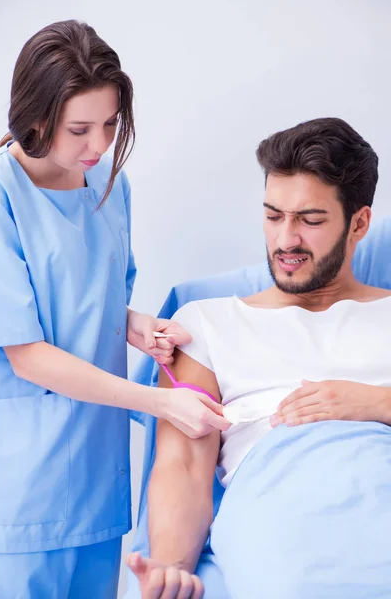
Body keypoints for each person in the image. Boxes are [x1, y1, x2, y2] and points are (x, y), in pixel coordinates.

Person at [0, 20, 229, 599]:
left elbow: (89, 298)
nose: (98, 146)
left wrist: (136, 326)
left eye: (110, 125)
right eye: (80, 129)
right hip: (23, 487)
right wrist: (159, 403)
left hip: (97, 476)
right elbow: (26, 351)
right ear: (36, 116)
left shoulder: (107, 185)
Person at [128, 117, 391, 599]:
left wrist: (378, 404)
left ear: (359, 223)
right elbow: (183, 465)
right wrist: (170, 568)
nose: (286, 240)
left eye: (310, 221)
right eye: (273, 216)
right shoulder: (206, 323)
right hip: (281, 516)